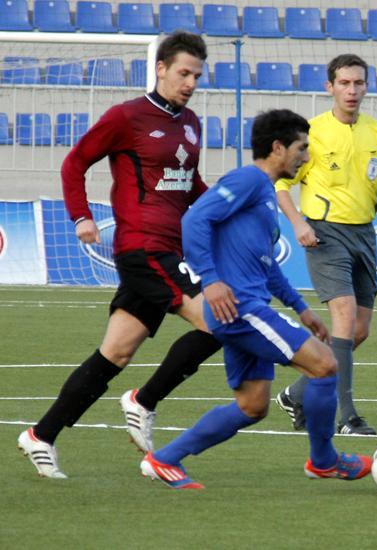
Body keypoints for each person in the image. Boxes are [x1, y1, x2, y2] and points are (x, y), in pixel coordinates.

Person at [17, 31, 222, 479]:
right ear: (161, 68)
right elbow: (74, 163)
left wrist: (223, 209)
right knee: (221, 320)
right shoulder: (126, 116)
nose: (190, 83)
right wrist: (81, 217)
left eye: (197, 76)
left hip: (169, 247)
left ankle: (41, 435)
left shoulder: (191, 122)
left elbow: (189, 184)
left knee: (116, 352)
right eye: (184, 73)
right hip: (144, 247)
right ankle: (144, 400)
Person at [140, 109, 372, 489]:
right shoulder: (249, 179)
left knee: (252, 405)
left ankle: (164, 459)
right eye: (301, 148)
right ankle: (324, 461)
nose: (306, 157)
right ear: (278, 147)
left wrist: (300, 308)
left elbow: (267, 265)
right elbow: (194, 221)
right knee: (326, 364)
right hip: (241, 309)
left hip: (242, 309)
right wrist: (211, 280)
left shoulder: (264, 193)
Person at [274, 54, 377, 436]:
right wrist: (298, 222)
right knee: (345, 316)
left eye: (358, 83)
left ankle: (295, 393)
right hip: (324, 233)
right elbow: (282, 182)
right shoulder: (312, 132)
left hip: (364, 233)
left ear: (366, 87)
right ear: (330, 87)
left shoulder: (376, 132)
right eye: (344, 83)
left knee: (359, 331)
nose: (352, 90)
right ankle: (347, 418)